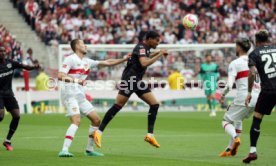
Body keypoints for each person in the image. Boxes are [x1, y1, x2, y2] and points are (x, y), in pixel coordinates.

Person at [93, 30, 168, 148]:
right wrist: (160, 54)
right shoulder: (141, 47)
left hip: (136, 80)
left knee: (154, 104)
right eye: (156, 40)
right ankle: (98, 132)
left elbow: (145, 57)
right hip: (129, 79)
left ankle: (150, 135)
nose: (158, 43)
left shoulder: (145, 48)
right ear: (149, 39)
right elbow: (144, 63)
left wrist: (158, 52)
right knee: (118, 105)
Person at [57, 39, 130, 157]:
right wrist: (77, 81)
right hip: (69, 94)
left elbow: (107, 62)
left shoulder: (87, 61)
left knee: (96, 120)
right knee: (76, 121)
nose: (85, 45)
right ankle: (64, 150)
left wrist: (124, 59)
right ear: (76, 46)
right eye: (82, 44)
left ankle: (89, 150)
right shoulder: (70, 59)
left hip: (80, 95)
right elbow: (60, 75)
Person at [218, 38, 260, 157]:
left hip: (244, 96)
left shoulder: (235, 63)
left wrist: (222, 95)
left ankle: (236, 138)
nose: (235, 47)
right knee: (238, 119)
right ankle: (229, 149)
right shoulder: (255, 61)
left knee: (225, 121)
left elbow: (230, 85)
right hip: (257, 97)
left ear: (240, 47)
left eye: (236, 45)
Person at [243, 29, 276, 164]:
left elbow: (252, 73)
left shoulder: (254, 53)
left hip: (268, 90)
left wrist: (250, 92)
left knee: (257, 118)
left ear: (256, 41)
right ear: (268, 39)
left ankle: (252, 151)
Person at [0, 46, 39, 151]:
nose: (3, 53)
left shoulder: (10, 63)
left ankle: (7, 140)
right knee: (0, 116)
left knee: (16, 116)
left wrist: (34, 66)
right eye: (1, 51)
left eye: (4, 51)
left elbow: (24, 66)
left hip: (8, 94)